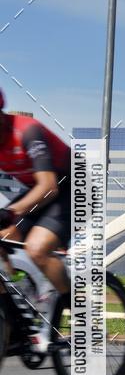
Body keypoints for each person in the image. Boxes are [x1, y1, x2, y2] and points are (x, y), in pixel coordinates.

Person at [0, 89, 71, 299]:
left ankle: (80, 312)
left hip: (74, 188)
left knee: (37, 248)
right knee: (5, 238)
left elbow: (49, 186)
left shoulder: (27, 131)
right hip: (39, 192)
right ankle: (15, 312)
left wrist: (10, 212)